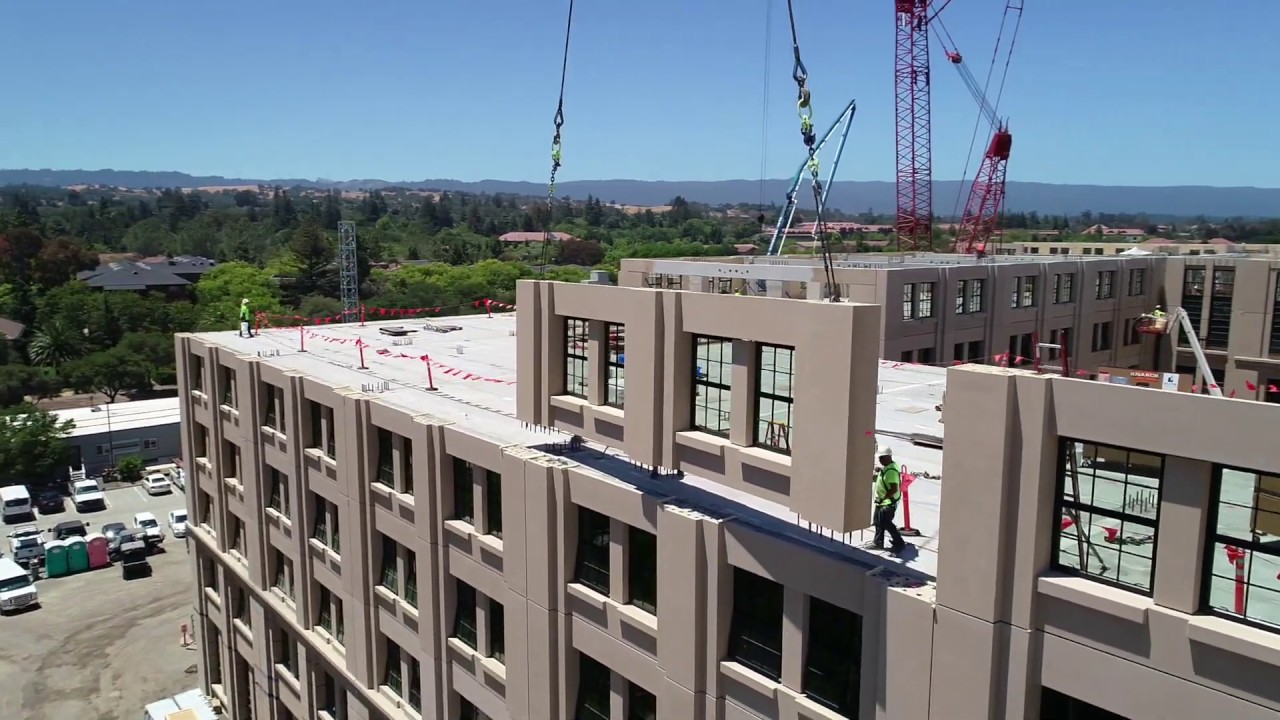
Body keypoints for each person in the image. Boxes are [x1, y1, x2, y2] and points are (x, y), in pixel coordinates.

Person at [872, 446, 907, 553]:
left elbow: (893, 489)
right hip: (882, 501)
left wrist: (883, 498)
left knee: (886, 522)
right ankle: (878, 542)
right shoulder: (888, 467)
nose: (880, 460)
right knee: (878, 521)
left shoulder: (891, 471)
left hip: (887, 502)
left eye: (882, 458)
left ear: (888, 457)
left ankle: (899, 542)